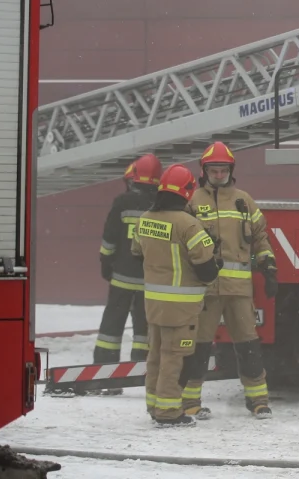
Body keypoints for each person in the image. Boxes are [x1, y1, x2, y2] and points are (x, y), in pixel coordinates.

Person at [181, 141, 278, 420]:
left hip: (239, 291)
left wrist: (269, 266)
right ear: (204, 170)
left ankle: (258, 401)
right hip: (206, 291)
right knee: (198, 348)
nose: (219, 174)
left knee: (249, 346)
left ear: (230, 170)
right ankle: (191, 403)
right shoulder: (192, 201)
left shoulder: (244, 201)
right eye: (214, 169)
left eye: (223, 170)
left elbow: (261, 237)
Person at [131, 164, 220, 427]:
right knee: (175, 359)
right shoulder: (189, 225)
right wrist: (217, 263)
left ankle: (154, 405)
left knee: (156, 355)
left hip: (154, 304)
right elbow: (206, 271)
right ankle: (169, 412)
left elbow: (137, 255)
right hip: (182, 309)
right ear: (188, 191)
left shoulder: (145, 218)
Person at [92, 155, 162, 384]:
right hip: (148, 280)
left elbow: (109, 236)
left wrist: (106, 262)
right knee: (144, 325)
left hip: (121, 276)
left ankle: (104, 368)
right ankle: (141, 370)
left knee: (112, 323)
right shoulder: (161, 205)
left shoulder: (122, 202)